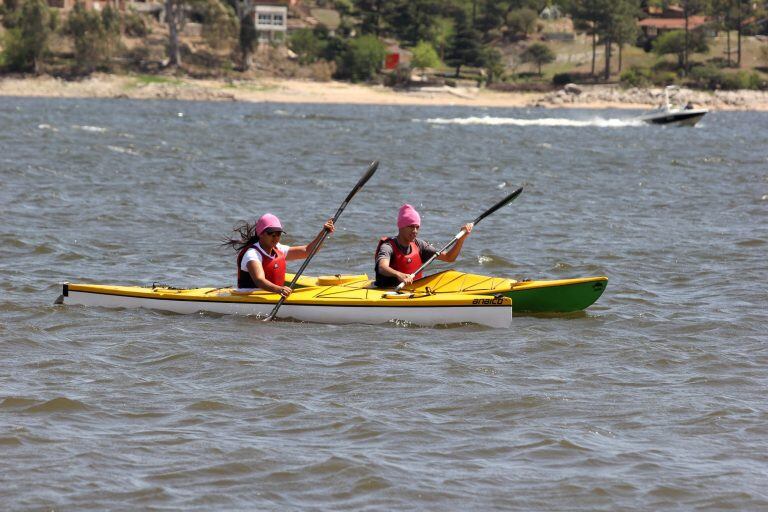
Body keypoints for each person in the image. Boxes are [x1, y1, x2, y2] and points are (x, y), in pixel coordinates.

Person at [224, 214, 334, 297]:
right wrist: (280, 290)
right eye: (271, 233)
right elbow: (259, 280)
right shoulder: (252, 254)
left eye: (278, 234)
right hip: (250, 298)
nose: (275, 237)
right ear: (260, 234)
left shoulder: (278, 249)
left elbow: (307, 251)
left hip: (272, 295)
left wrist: (323, 233)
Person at [374, 204, 473, 288]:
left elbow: (449, 257)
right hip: (388, 292)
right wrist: (399, 274)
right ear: (401, 226)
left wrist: (461, 239)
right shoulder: (388, 246)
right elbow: (382, 267)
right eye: (411, 226)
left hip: (413, 292)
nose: (415, 231)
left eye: (417, 227)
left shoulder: (419, 245)